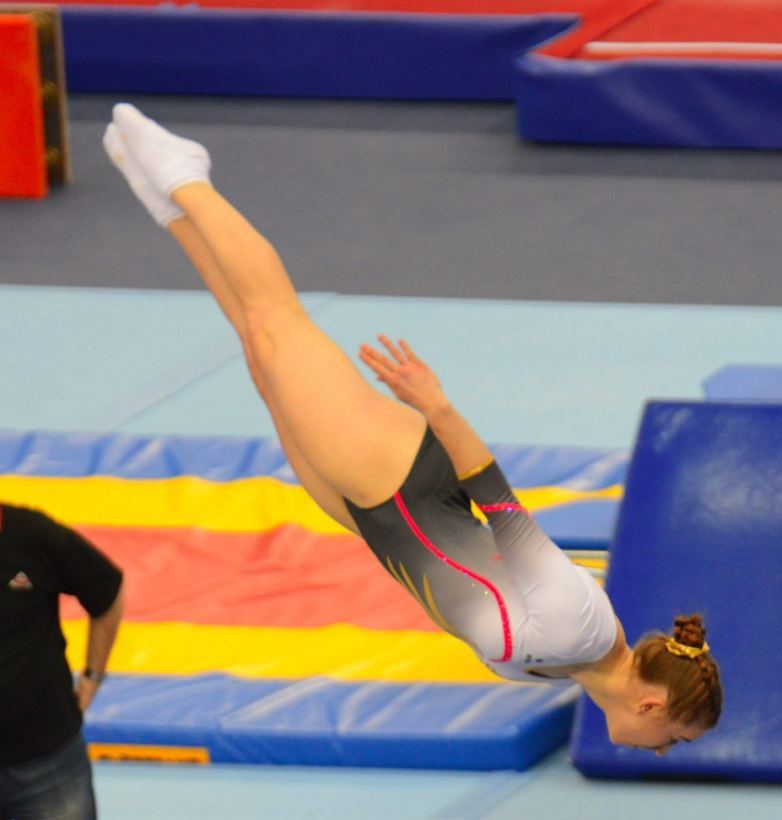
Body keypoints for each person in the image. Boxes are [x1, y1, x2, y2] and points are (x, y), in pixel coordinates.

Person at [102, 103, 723, 755]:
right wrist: (438, 407)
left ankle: (169, 208)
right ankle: (184, 176)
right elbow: (502, 508)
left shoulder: (565, 665)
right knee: (276, 319)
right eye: (673, 737)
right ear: (651, 703)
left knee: (260, 350)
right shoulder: (580, 629)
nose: (663, 748)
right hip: (398, 481)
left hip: (378, 520)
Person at [0, 503, 125, 820]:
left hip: (46, 758)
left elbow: (107, 591)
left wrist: (93, 675)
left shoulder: (30, 534)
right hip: (43, 755)